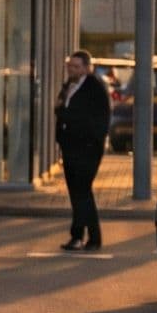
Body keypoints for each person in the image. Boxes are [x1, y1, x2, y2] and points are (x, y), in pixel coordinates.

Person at [55, 50, 111, 252]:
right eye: (70, 66)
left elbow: (98, 119)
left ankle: (81, 236)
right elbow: (62, 110)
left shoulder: (94, 88)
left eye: (76, 66)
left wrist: (93, 142)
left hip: (86, 149)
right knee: (79, 192)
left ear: (87, 68)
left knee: (82, 190)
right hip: (70, 147)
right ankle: (90, 237)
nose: (72, 69)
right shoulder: (69, 86)